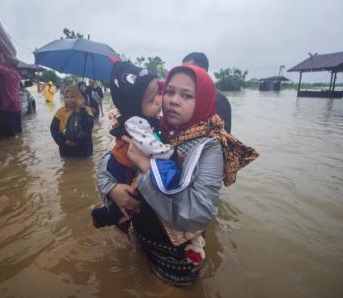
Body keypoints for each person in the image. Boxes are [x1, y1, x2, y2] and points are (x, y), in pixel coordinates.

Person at [96, 64, 258, 285]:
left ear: (202, 100)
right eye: (170, 92)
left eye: (187, 95)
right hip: (143, 235)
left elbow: (197, 214)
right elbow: (108, 161)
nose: (173, 100)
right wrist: (111, 189)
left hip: (173, 254)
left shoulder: (209, 147)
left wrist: (145, 166)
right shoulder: (152, 127)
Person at [91, 61, 173, 230]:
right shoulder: (138, 122)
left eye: (160, 94)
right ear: (135, 107)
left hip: (160, 224)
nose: (160, 102)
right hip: (124, 168)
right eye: (153, 100)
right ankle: (103, 217)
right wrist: (111, 188)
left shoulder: (203, 141)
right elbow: (150, 147)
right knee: (126, 206)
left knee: (129, 205)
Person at [182, 52, 232, 133]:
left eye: (188, 70)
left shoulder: (217, 98)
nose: (183, 74)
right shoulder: (189, 95)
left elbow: (221, 134)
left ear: (203, 71)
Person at [50, 85, 94, 158]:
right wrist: (64, 141)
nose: (69, 100)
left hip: (83, 150)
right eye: (67, 97)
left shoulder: (86, 111)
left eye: (72, 97)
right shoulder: (60, 112)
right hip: (66, 150)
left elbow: (88, 126)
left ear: (78, 97)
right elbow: (53, 129)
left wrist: (82, 109)